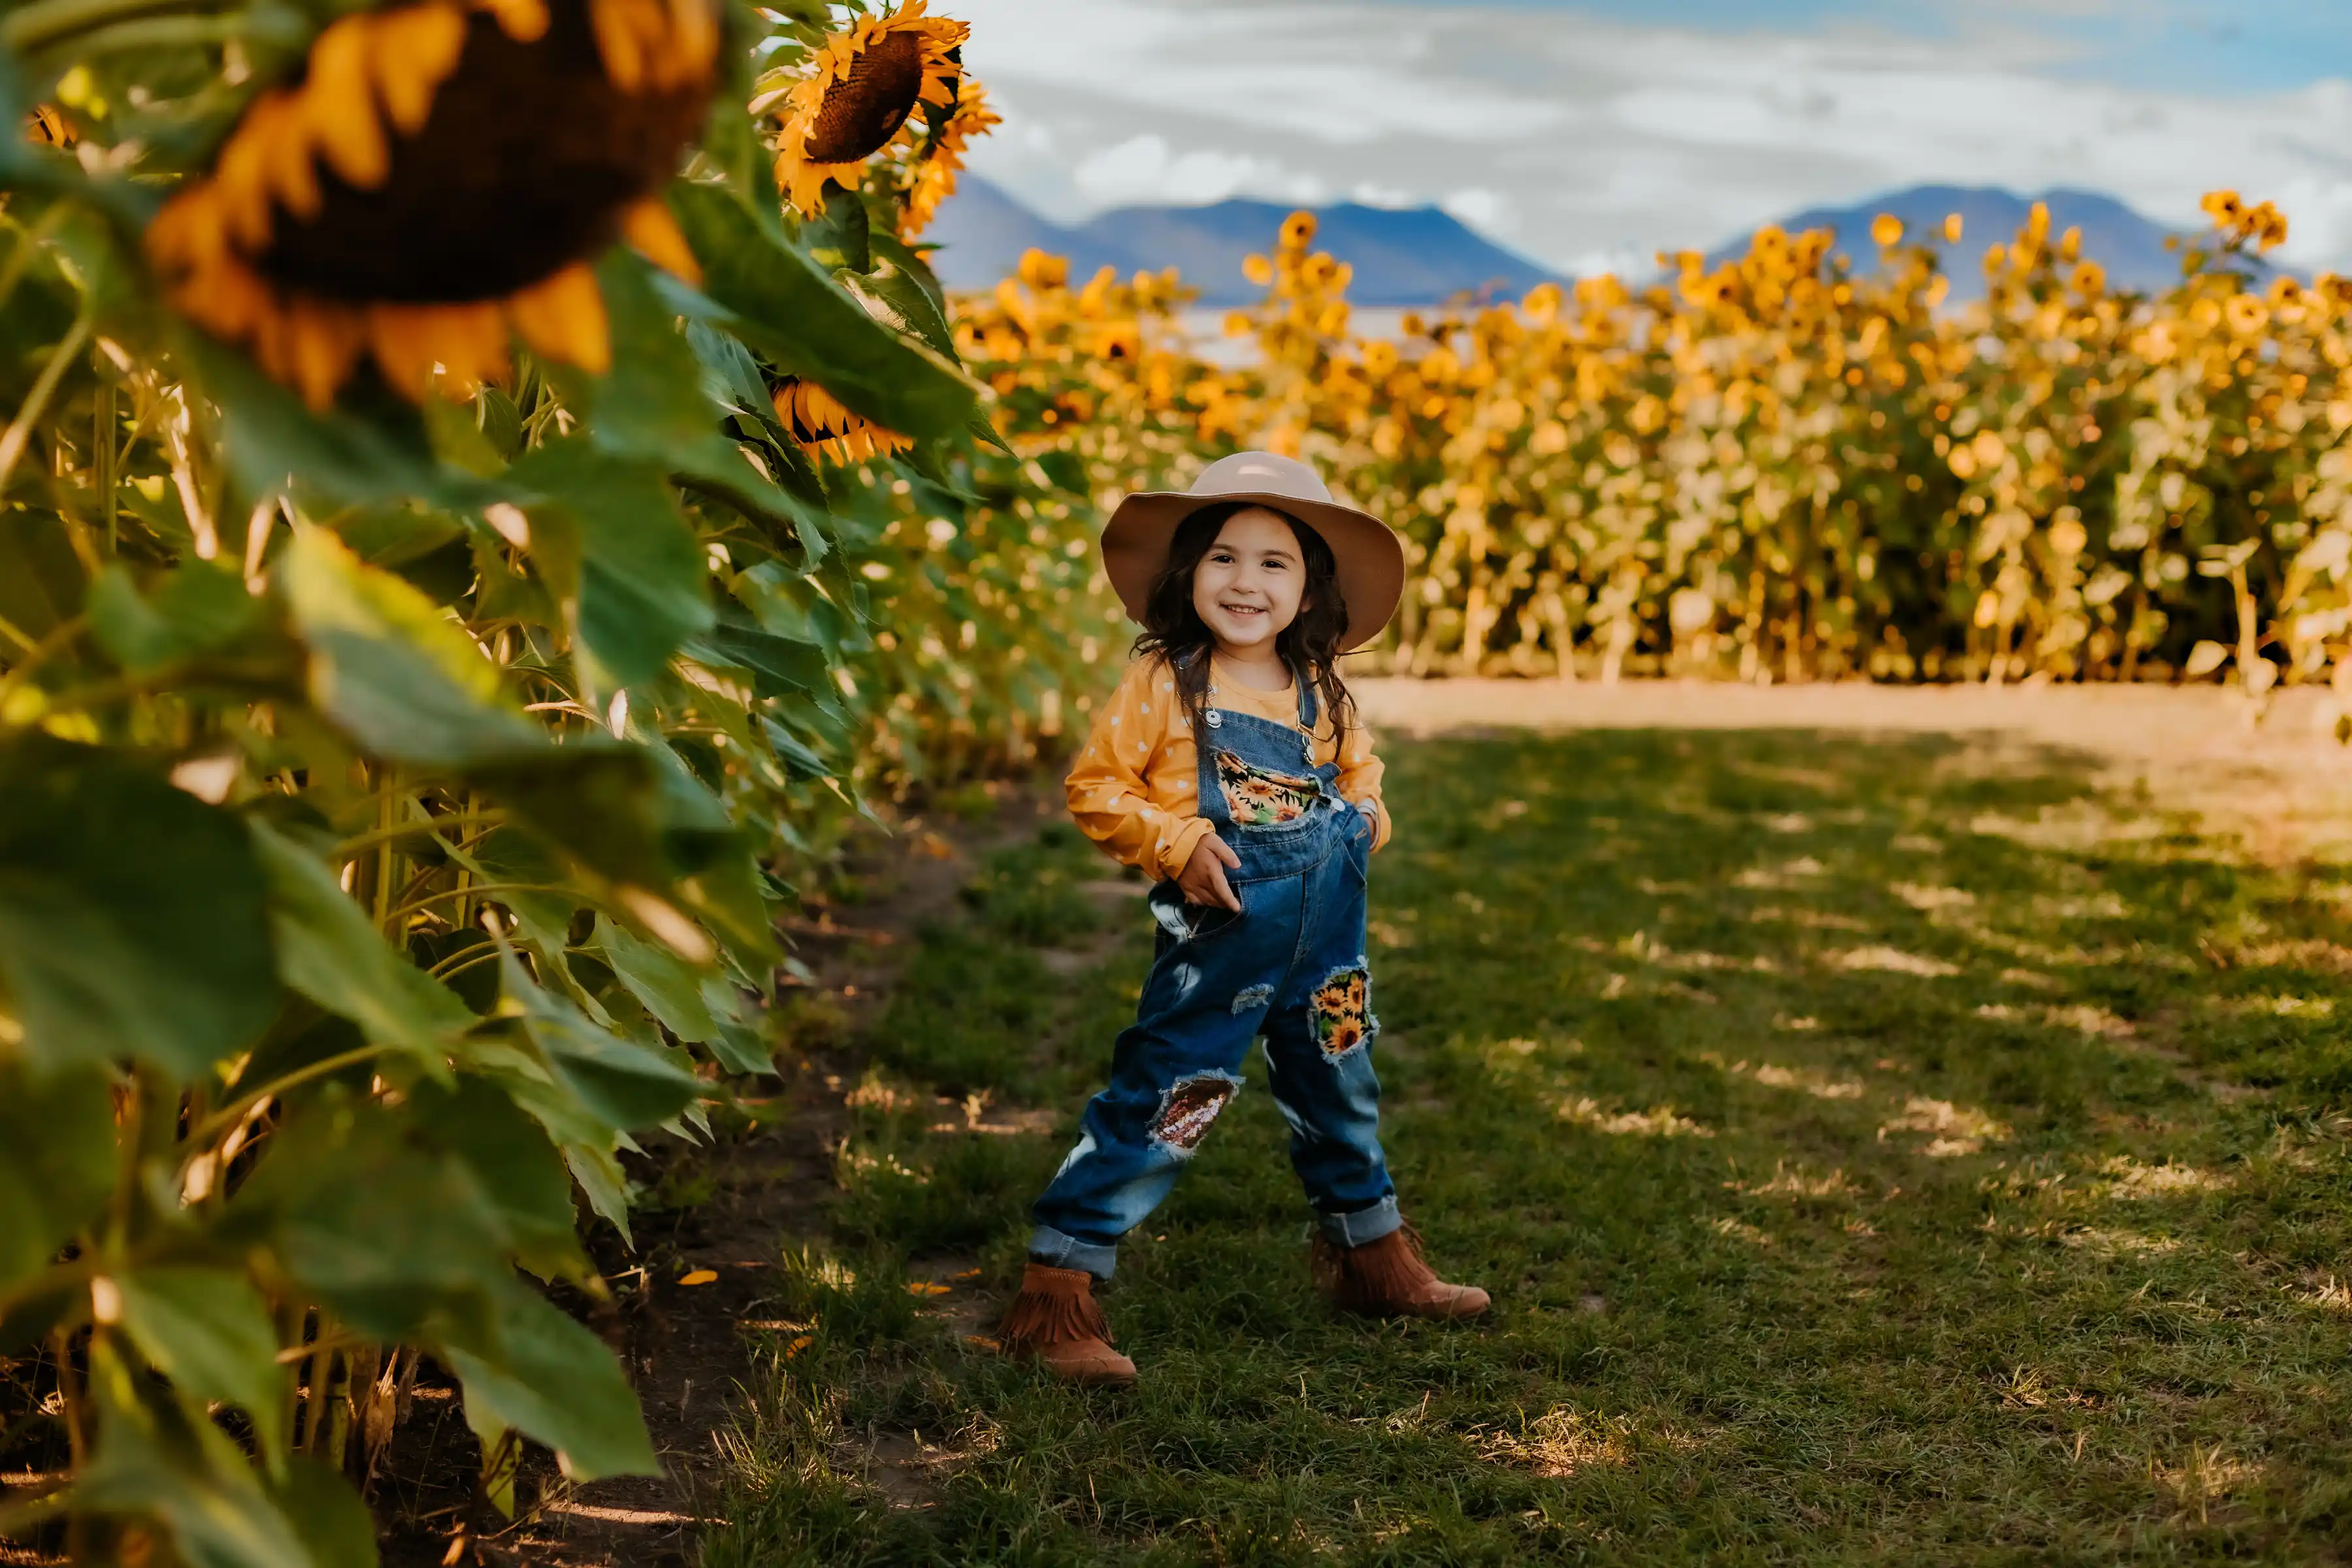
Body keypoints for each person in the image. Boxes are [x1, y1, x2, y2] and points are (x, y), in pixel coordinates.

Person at [998, 451, 1489, 1387]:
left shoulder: (1321, 689)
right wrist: (1174, 842)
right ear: (1190, 574)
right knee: (1165, 1105)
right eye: (1225, 556)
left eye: (1275, 562)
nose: (1247, 581)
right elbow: (1096, 786)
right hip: (1220, 939)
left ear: (1308, 592)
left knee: (1341, 1088)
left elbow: (1359, 773)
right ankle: (1057, 1295)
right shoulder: (1165, 681)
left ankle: (1375, 1263)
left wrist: (1369, 815)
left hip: (1326, 944)